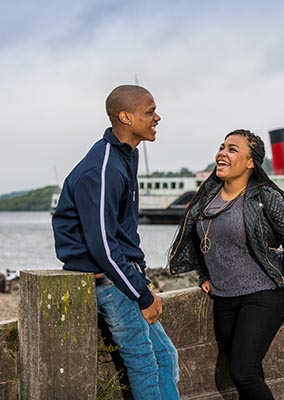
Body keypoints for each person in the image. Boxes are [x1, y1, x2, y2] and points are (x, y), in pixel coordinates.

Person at [52, 85, 180, 400]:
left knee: (165, 356)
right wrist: (141, 293)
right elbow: (103, 246)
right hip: (110, 279)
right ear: (125, 116)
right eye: (149, 112)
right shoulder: (103, 168)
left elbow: (125, 231)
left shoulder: (126, 156)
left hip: (125, 274)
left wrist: (143, 278)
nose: (157, 117)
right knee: (144, 363)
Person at [168, 129, 284, 399]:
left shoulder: (266, 198)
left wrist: (276, 280)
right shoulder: (207, 197)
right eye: (222, 147)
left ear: (250, 162)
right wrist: (204, 274)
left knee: (243, 373)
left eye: (232, 149)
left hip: (261, 298)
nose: (222, 153)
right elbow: (199, 242)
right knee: (249, 374)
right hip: (224, 298)